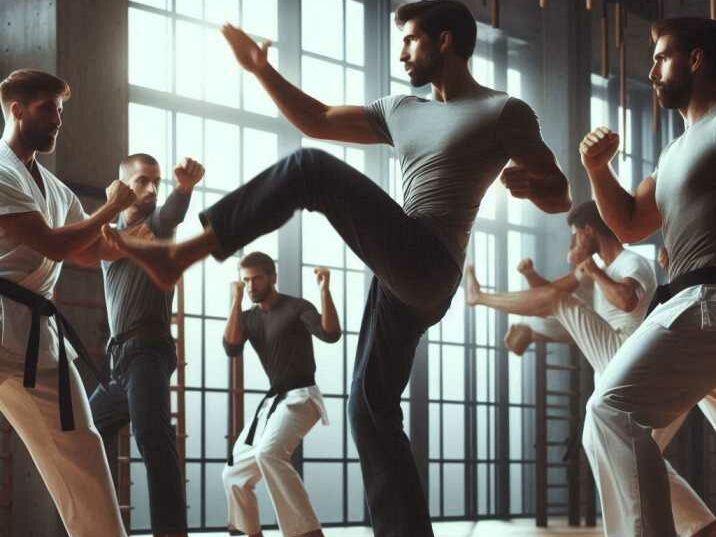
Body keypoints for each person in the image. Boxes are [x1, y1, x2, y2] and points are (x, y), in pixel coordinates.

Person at [100, 1, 571, 533]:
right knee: (368, 409)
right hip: (396, 275)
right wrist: (261, 69)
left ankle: (182, 254)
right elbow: (316, 119)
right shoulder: (401, 109)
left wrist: (535, 186)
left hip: (432, 262)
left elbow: (560, 192)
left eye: (411, 40)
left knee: (307, 170)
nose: (401, 53)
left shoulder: (503, 111)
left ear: (444, 41)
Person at [466, 200, 716, 536]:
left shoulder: (632, 262)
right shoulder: (594, 274)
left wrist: (591, 270)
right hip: (622, 366)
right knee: (626, 454)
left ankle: (480, 297)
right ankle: (702, 526)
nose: (572, 245)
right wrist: (531, 289)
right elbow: (556, 299)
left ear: (588, 231)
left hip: (640, 362)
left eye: (574, 236)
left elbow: (625, 300)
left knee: (559, 304)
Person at [578, 17, 716, 536]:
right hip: (691, 303)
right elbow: (633, 222)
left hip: (704, 302)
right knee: (612, 419)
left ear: (697, 59)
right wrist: (596, 170)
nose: (652, 69)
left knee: (612, 411)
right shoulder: (676, 150)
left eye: (661, 57)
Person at [0, 69, 136, 537]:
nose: (58, 119)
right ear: (17, 109)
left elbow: (86, 249)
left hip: (39, 337)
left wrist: (135, 235)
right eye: (48, 108)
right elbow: (53, 244)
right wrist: (111, 207)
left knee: (82, 448)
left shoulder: (53, 188)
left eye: (61, 110)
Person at [89, 153, 204, 537]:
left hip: (149, 352)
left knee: (154, 440)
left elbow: (172, 213)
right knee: (85, 432)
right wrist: (108, 208)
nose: (153, 189)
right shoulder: (108, 230)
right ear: (123, 185)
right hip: (120, 360)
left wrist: (185, 189)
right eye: (142, 181)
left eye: (157, 181)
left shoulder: (158, 227)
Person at [221, 252, 340, 537]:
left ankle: (306, 533)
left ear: (272, 277)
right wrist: (236, 301)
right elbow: (231, 347)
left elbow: (330, 333)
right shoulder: (248, 317)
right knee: (234, 473)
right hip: (275, 403)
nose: (251, 286)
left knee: (269, 453)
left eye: (256, 279)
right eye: (246, 280)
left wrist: (324, 290)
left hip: (302, 397)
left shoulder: (296, 307)